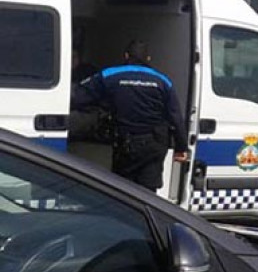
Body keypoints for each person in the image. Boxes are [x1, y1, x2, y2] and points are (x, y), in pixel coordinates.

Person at [72, 40, 188, 191]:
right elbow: (175, 117)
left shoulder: (110, 75)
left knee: (123, 189)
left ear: (126, 56)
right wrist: (181, 147)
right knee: (148, 190)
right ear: (148, 59)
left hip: (126, 143)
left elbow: (79, 97)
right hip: (155, 143)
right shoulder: (163, 81)